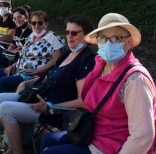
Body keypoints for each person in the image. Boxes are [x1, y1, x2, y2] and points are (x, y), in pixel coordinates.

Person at [41, 13, 156, 154]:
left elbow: (142, 137)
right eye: (102, 38)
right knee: (47, 139)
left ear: (129, 42)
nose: (108, 43)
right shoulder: (100, 67)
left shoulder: (135, 80)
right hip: (93, 133)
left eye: (116, 38)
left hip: (113, 145)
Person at [0, 15, 96, 154]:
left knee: (6, 108)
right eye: (67, 32)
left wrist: (49, 107)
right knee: (0, 98)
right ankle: (16, 144)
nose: (69, 36)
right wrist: (27, 82)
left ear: (86, 35)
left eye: (74, 33)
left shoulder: (86, 60)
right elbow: (49, 76)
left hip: (55, 110)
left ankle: (18, 151)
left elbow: (82, 101)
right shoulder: (68, 52)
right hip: (42, 95)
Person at [0, 10, 64, 130]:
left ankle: (0, 117)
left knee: (4, 81)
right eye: (33, 23)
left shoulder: (53, 38)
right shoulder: (32, 36)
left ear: (46, 24)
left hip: (34, 75)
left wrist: (41, 69)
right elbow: (24, 54)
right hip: (20, 69)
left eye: (40, 23)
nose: (36, 26)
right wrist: (12, 66)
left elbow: (57, 60)